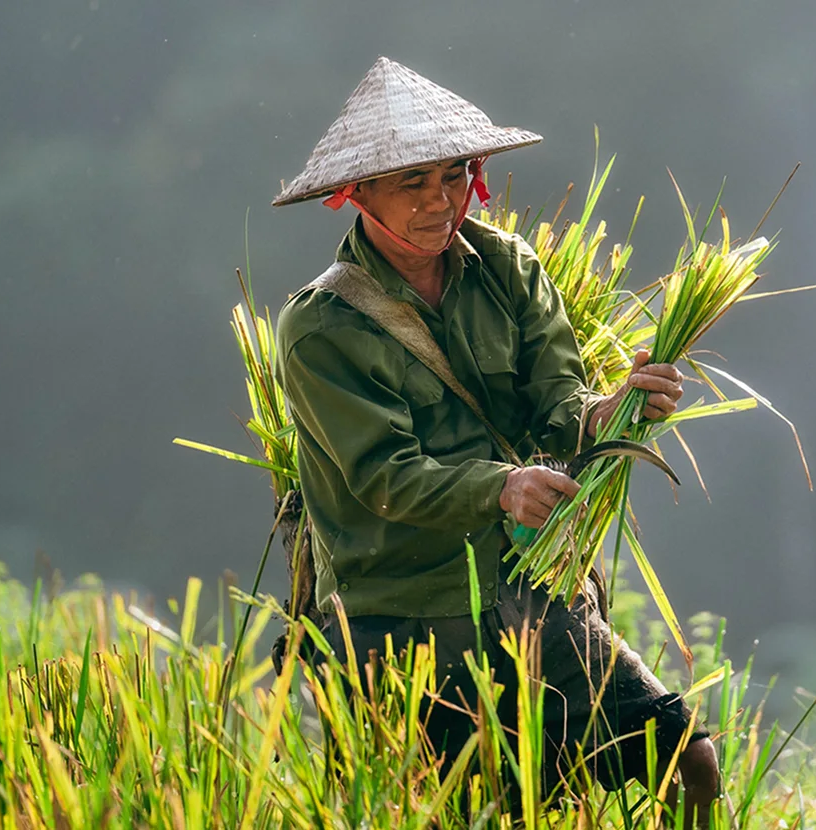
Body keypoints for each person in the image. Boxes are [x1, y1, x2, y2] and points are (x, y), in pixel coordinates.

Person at [270, 57, 721, 822]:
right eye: (412, 182)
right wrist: (501, 486)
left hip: (524, 587)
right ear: (357, 195)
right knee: (476, 810)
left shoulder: (508, 269)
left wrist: (616, 408)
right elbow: (387, 476)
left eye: (453, 176)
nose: (439, 202)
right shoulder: (320, 326)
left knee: (691, 757)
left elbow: (559, 406)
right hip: (406, 618)